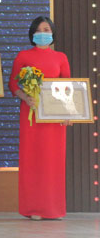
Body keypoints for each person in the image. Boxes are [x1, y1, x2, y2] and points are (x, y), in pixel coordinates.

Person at [8, 16, 71, 220]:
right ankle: (34, 208)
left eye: (46, 30)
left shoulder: (61, 57)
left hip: (54, 117)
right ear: (32, 34)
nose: (42, 33)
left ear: (52, 33)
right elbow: (13, 84)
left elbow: (69, 87)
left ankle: (54, 209)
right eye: (38, 30)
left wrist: (69, 113)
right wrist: (25, 97)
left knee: (53, 161)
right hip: (32, 115)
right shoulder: (23, 56)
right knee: (33, 159)